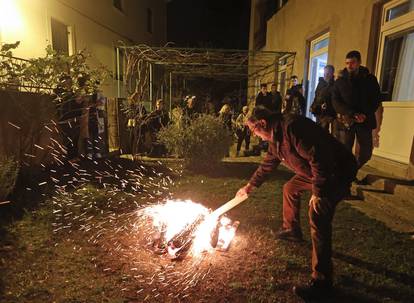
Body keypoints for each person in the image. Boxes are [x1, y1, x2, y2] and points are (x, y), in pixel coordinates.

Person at [236, 106, 357, 300]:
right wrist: (249, 186)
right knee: (290, 188)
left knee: (318, 215)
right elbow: (268, 164)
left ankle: (322, 281)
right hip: (315, 172)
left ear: (263, 124)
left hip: (335, 172)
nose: (255, 135)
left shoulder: (292, 128)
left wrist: (318, 192)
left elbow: (320, 158)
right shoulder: (275, 138)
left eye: (254, 130)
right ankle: (291, 229)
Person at [332, 50, 381, 170]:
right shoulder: (340, 81)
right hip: (346, 121)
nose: (349, 66)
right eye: (347, 63)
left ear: (359, 62)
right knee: (344, 151)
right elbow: (335, 101)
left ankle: (354, 169)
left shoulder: (370, 80)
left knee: (366, 152)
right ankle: (346, 174)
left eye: (352, 62)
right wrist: (352, 113)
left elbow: (376, 99)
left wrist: (364, 114)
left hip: (365, 121)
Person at [310, 65, 336, 132]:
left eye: (328, 73)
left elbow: (334, 100)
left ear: (332, 73)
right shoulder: (320, 83)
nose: (326, 75)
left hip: (328, 113)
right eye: (325, 73)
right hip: (318, 111)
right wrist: (313, 105)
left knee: (324, 132)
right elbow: (316, 96)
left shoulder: (334, 85)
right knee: (319, 131)